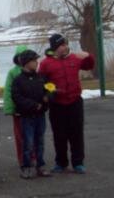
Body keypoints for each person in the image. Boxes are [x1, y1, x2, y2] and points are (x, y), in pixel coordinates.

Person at [38, 33, 94, 173]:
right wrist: (52, 90)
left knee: (76, 133)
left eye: (66, 44)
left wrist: (88, 55)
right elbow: (42, 83)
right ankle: (61, 162)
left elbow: (89, 65)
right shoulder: (46, 63)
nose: (65, 47)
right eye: (62, 45)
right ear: (55, 47)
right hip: (57, 104)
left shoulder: (74, 58)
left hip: (75, 101)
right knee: (59, 134)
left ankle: (78, 162)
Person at [12, 50, 52, 179]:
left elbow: (51, 88)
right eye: (34, 60)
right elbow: (17, 97)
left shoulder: (41, 77)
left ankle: (40, 165)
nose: (36, 63)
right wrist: (33, 105)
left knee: (40, 142)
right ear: (26, 63)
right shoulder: (18, 80)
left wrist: (47, 97)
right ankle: (26, 166)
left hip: (40, 115)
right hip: (27, 116)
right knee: (28, 143)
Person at [3, 46, 30, 169]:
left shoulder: (33, 71)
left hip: (31, 110)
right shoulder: (12, 73)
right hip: (18, 110)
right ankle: (22, 158)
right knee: (20, 136)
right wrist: (9, 108)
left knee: (32, 134)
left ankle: (33, 156)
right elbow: (8, 91)